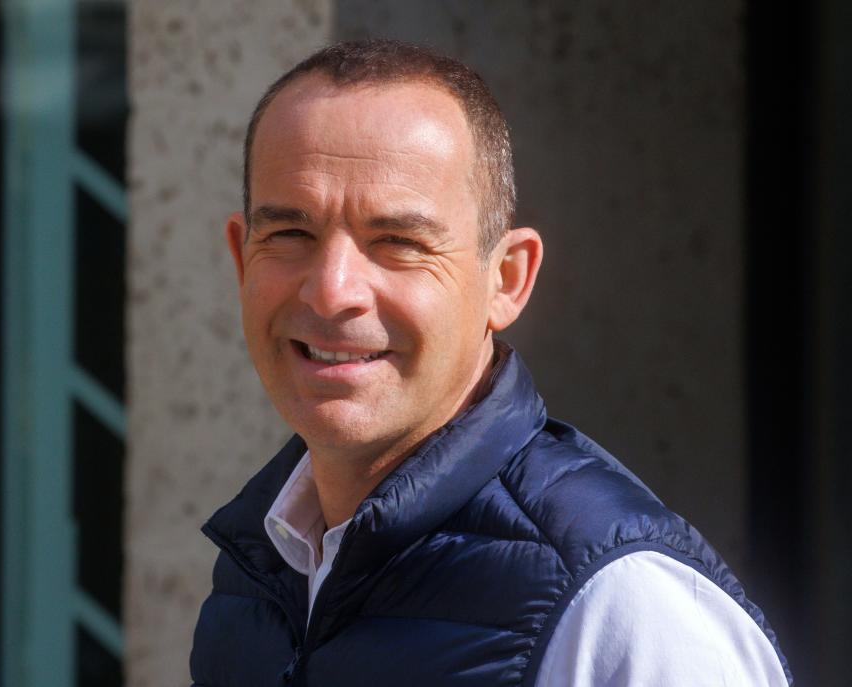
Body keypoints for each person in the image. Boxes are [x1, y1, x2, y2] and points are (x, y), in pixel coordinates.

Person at [190, 39, 791, 686]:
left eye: (397, 242)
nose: (332, 289)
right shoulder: (261, 571)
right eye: (290, 234)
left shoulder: (622, 610)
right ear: (241, 257)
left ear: (507, 279)